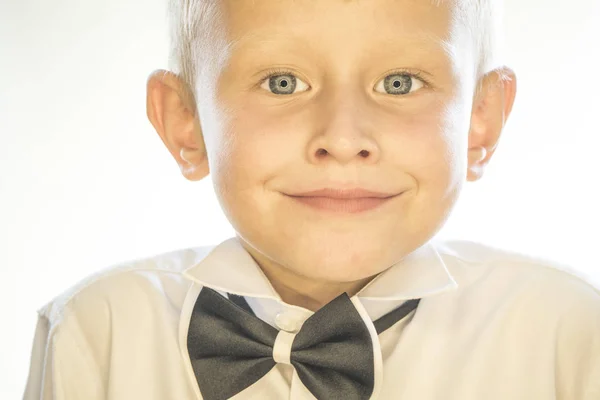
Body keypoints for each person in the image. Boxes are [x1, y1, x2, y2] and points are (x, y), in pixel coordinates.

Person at [22, 0, 600, 399]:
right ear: (186, 122)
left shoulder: (568, 329)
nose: (343, 139)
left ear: (480, 122)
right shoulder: (98, 328)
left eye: (399, 83)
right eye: (282, 82)